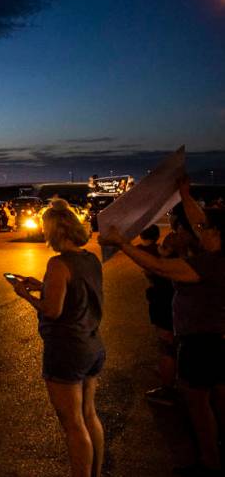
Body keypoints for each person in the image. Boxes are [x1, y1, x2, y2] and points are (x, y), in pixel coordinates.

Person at [100, 177, 225, 476]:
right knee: (218, 398)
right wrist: (184, 194)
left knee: (198, 404)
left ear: (218, 234)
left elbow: (159, 267)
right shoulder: (216, 254)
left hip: (202, 342)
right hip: (215, 339)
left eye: (206, 228)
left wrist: (122, 244)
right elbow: (199, 221)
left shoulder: (212, 263)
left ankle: (210, 462)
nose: (199, 229)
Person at [10, 199, 105, 477]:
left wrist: (25, 295)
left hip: (67, 349)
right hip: (92, 344)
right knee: (89, 414)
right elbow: (78, 292)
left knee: (73, 423)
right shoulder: (90, 259)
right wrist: (42, 286)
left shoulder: (58, 263)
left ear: (55, 231)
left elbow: (52, 310)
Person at [137, 224, 177, 406]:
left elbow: (151, 267)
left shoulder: (156, 259)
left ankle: (168, 388)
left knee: (166, 345)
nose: (163, 249)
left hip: (164, 302)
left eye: (167, 247)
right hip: (170, 302)